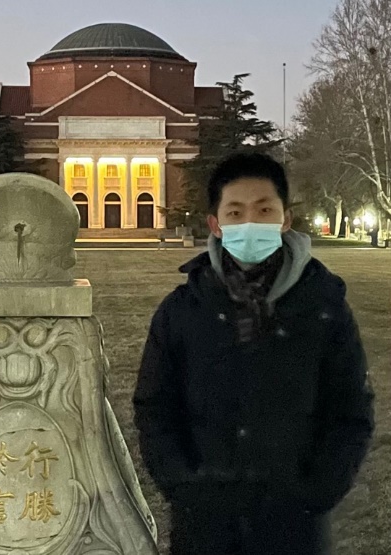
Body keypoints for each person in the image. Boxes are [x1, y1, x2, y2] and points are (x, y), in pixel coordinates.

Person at [133, 152, 375, 555]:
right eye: (235, 212)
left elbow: (350, 410)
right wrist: (185, 489)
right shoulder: (182, 311)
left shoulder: (323, 305)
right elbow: (154, 408)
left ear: (285, 220)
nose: (250, 223)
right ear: (215, 224)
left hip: (295, 528)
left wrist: (316, 493)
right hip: (204, 528)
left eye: (264, 210)